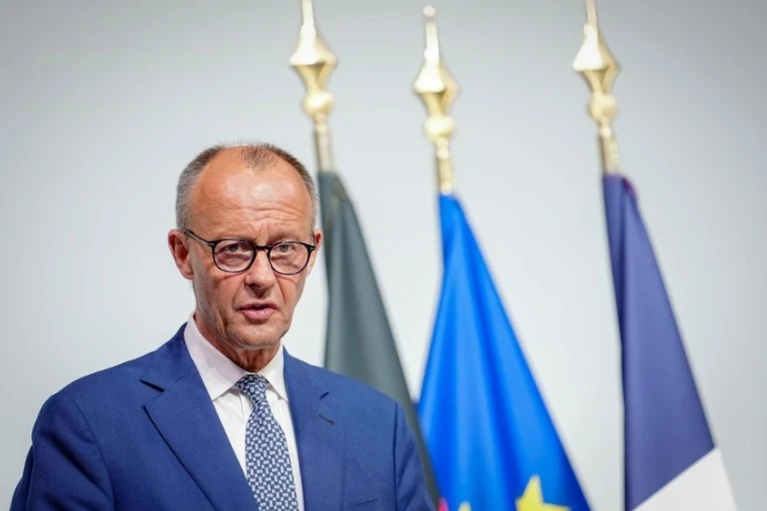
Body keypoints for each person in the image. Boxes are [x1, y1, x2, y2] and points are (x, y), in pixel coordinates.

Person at [11, 143, 434, 511]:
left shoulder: (379, 425)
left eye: (285, 249)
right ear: (183, 254)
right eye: (233, 249)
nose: (262, 277)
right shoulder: (89, 423)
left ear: (313, 251)